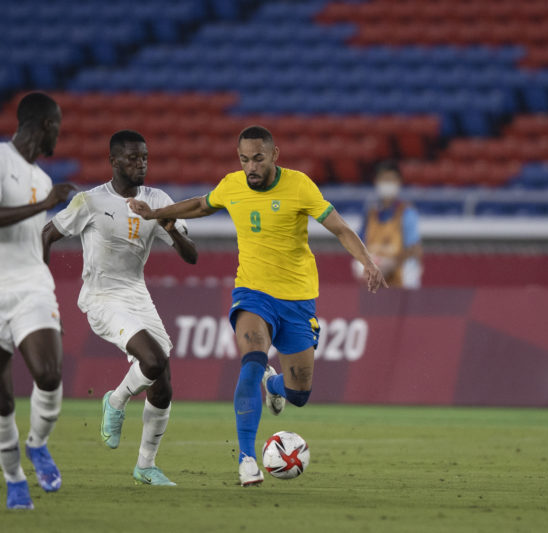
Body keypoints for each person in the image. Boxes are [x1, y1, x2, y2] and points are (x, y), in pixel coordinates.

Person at [127, 125, 387, 486]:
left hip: (297, 300)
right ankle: (248, 458)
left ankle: (275, 387)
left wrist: (368, 262)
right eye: (245, 159)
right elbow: (203, 204)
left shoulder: (300, 186)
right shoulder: (232, 185)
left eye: (258, 159)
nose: (251, 167)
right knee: (252, 362)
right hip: (252, 293)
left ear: (274, 155)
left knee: (299, 394)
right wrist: (157, 213)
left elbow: (340, 228)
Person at [42, 130, 198, 486]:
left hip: (136, 294)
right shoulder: (91, 202)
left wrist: (168, 225)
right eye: (131, 158)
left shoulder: (156, 199)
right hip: (101, 296)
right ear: (113, 161)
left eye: (144, 157)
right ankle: (115, 400)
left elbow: (191, 256)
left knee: (163, 385)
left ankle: (145, 466)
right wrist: (40, 290)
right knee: (154, 361)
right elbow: (47, 234)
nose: (140, 163)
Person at [0, 92, 76, 509]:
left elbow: (32, 237)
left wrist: (43, 271)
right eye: (57, 125)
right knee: (0, 399)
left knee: (49, 371)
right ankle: (14, 479)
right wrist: (44, 204)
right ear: (44, 125)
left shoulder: (42, 179)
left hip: (30, 285)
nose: (59, 134)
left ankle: (38, 444)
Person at [356, 160, 422, 289]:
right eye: (384, 179)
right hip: (374, 280)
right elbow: (359, 243)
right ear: (376, 182)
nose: (388, 183)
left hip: (401, 280)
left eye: (391, 180)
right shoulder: (370, 213)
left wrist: (391, 264)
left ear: (399, 182)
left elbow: (414, 248)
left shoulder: (407, 213)